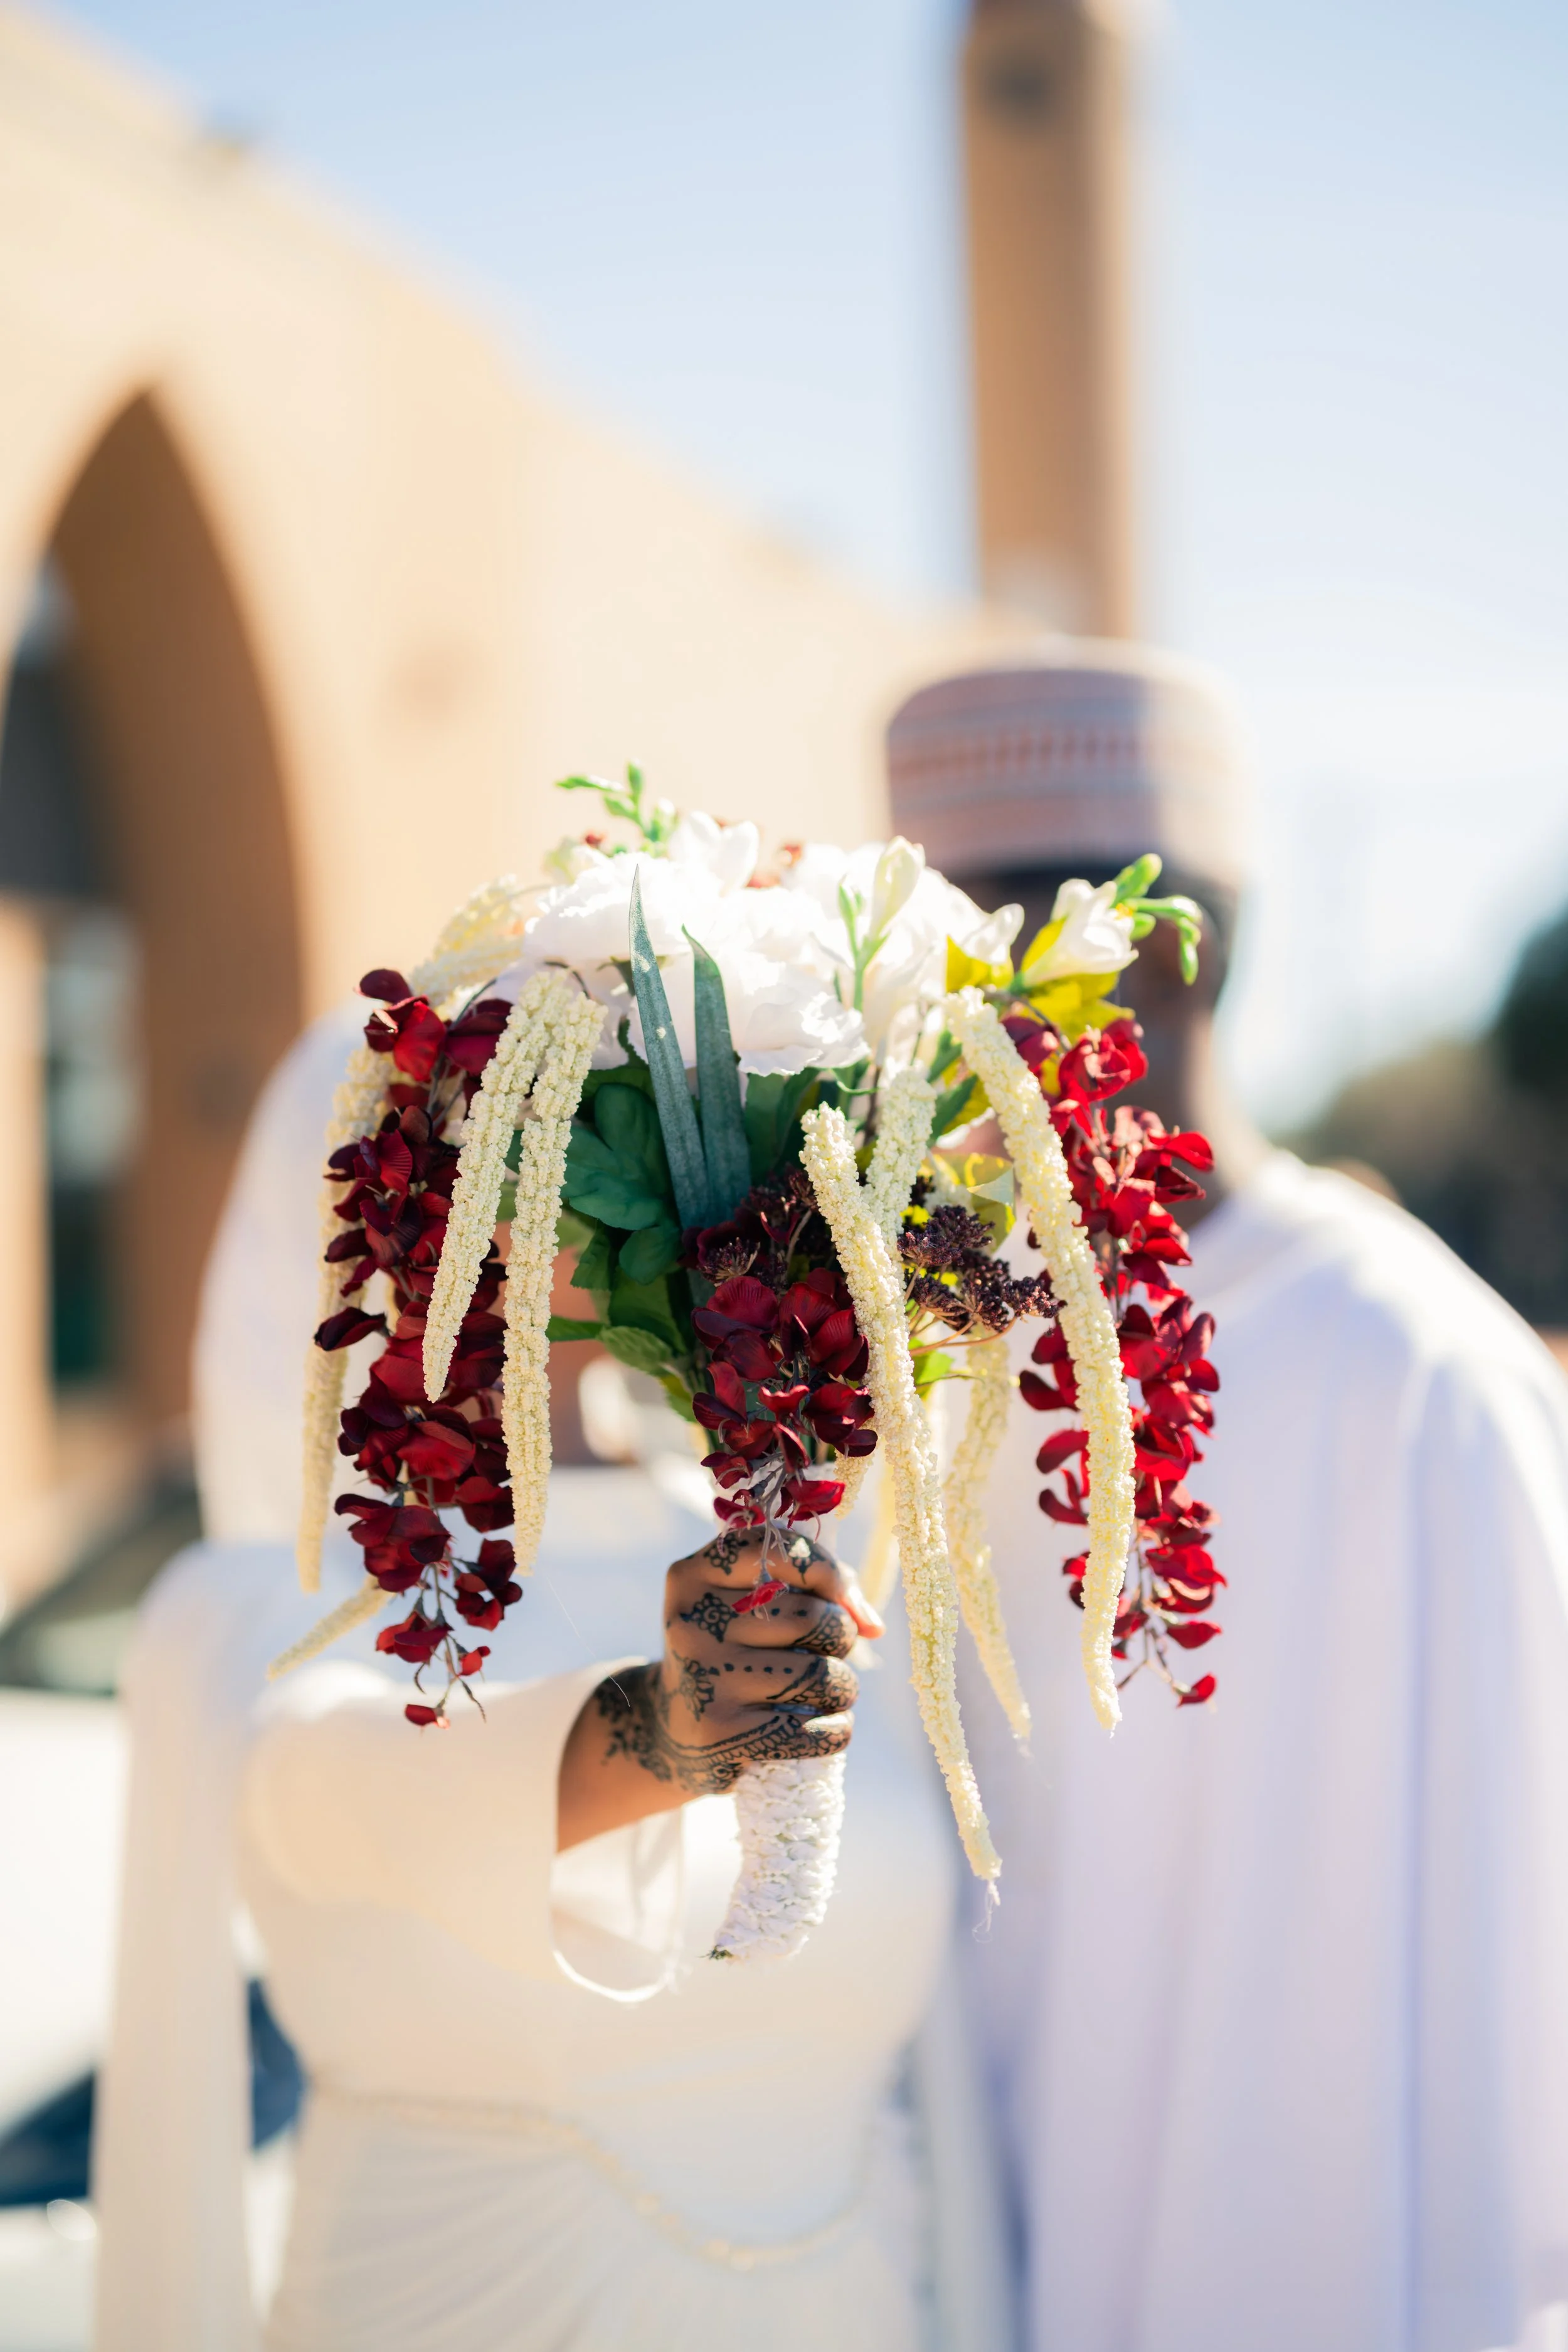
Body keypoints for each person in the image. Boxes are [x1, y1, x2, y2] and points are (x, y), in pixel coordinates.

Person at [91, 1001, 1014, 2351]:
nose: (580, 1186)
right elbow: (354, 1788)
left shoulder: (792, 1542)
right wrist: (663, 1730)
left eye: (623, 1117)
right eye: (520, 1142)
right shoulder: (274, 1606)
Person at [889, 645, 1568, 2352]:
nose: (962, 1014)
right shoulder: (911, 1356)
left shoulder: (1419, 1372)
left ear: (1167, 948)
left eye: (1005, 945)